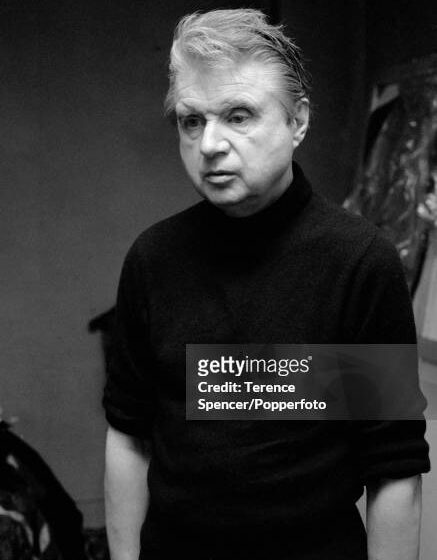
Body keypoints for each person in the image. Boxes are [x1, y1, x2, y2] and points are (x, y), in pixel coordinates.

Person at [103, 9, 430, 560]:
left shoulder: (357, 262)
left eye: (238, 115)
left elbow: (393, 467)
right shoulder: (153, 260)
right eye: (191, 120)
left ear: (297, 121)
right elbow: (128, 435)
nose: (209, 144)